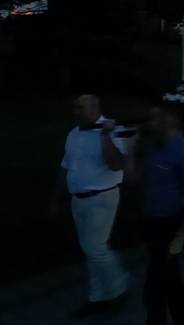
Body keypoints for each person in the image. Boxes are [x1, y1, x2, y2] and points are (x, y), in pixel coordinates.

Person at [52, 95, 128, 320]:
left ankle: (119, 288)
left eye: (80, 108)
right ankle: (98, 296)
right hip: (78, 199)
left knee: (96, 248)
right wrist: (58, 197)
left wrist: (105, 135)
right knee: (90, 250)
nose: (76, 112)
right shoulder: (74, 134)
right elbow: (66, 166)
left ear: (96, 108)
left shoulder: (114, 130)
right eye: (74, 108)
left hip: (101, 197)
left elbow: (116, 164)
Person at [141, 106, 184, 325]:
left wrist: (180, 235)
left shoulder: (183, 152)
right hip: (153, 221)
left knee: (161, 285)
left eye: (157, 116)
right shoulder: (157, 147)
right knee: (167, 282)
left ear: (171, 121)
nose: (152, 120)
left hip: (170, 224)